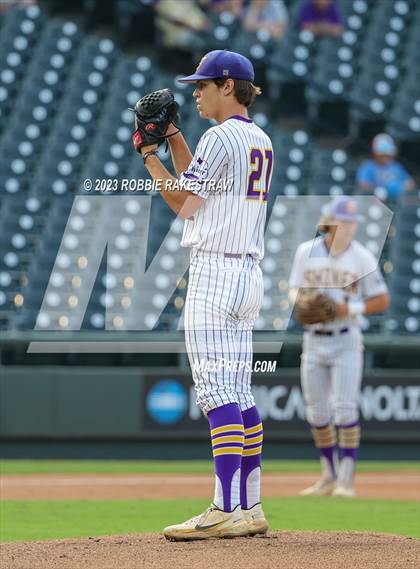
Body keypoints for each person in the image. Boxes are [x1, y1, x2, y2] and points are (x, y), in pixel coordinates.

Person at [133, 50, 273, 539]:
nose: (195, 92)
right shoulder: (259, 138)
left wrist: (148, 155)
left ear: (228, 85)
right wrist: (173, 137)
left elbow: (184, 204)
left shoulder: (220, 136)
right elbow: (203, 185)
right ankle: (250, 506)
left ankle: (223, 508)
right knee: (239, 392)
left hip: (215, 272)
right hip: (248, 273)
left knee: (217, 394)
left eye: (203, 84)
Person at [289, 196, 389, 497]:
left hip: (346, 338)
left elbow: (382, 299)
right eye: (343, 221)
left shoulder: (361, 257)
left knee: (345, 409)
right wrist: (303, 299)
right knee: (317, 412)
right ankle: (328, 476)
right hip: (314, 338)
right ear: (330, 223)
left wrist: (351, 308)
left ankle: (346, 481)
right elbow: (294, 287)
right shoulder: (306, 252)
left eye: (352, 221)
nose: (348, 226)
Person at [356, 133, 416, 201]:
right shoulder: (368, 166)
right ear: (375, 153)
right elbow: (363, 184)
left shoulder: (396, 166)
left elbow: (410, 182)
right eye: (382, 154)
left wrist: (402, 187)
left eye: (388, 154)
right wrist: (377, 188)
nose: (386, 157)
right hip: (375, 202)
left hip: (397, 202)